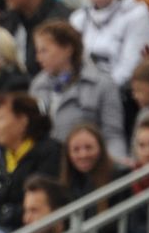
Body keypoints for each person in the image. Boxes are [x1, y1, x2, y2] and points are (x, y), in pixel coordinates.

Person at [31, 19, 127, 155]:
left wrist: (116, 169)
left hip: (89, 160)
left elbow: (113, 134)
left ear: (68, 49)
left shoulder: (102, 84)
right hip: (50, 164)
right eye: (37, 51)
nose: (38, 58)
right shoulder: (38, 86)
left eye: (44, 50)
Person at [0, 90, 62, 230]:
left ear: (22, 121)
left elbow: (43, 203)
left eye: (0, 119)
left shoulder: (49, 151)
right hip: (0, 227)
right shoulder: (3, 154)